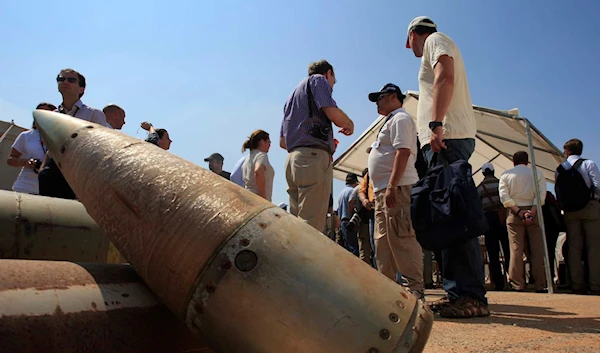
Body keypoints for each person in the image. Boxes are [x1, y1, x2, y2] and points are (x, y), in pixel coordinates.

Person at [406, 16, 488, 316]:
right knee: (446, 218)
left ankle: (472, 297)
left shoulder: (434, 41)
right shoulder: (435, 42)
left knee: (455, 217)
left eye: (408, 41)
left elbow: (445, 76)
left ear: (412, 36)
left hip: (447, 136)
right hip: (444, 138)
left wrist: (436, 124)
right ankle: (458, 293)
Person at [280, 60, 354, 232]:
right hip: (312, 159)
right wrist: (349, 123)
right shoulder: (318, 80)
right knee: (311, 228)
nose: (332, 88)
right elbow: (330, 109)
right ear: (328, 73)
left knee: (297, 226)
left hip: (292, 160)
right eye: (333, 83)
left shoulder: (291, 98)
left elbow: (282, 142)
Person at [367, 83, 423, 296]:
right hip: (384, 190)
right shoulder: (389, 121)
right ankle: (387, 291)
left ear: (392, 97)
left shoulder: (401, 118)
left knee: (402, 239)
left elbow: (403, 152)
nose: (377, 104)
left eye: (379, 99)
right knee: (383, 243)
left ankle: (416, 289)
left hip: (397, 187)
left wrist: (391, 185)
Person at [499, 151, 547, 293]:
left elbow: (504, 196)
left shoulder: (506, 175)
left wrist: (519, 212)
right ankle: (540, 283)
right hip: (534, 211)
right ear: (527, 161)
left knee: (516, 249)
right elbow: (541, 195)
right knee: (537, 249)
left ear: (513, 161)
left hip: (514, 213)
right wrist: (531, 212)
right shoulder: (537, 174)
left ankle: (517, 283)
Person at [556, 138, 599, 295]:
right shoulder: (589, 164)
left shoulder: (560, 168)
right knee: (594, 247)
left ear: (566, 151)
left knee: (574, 247)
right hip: (590, 208)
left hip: (570, 211)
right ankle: (595, 285)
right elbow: (597, 186)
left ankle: (577, 284)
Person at [7, 103, 56, 194]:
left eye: (46, 112)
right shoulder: (26, 136)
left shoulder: (59, 138)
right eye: (39, 112)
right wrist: (26, 162)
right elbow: (10, 160)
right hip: (24, 186)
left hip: (49, 188)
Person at [476, 162, 510, 291]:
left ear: (483, 173)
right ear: (494, 171)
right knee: (507, 251)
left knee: (493, 254)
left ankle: (498, 283)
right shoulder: (501, 184)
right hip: (502, 218)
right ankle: (512, 279)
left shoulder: (480, 188)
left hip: (488, 220)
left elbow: (478, 207)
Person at [242, 130, 274, 201]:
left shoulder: (246, 160)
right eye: (268, 142)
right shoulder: (261, 155)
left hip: (248, 198)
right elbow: (258, 171)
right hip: (258, 199)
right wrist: (262, 196)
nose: (270, 145)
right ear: (262, 142)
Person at [351, 168, 373, 265]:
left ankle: (365, 266)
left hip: (363, 220)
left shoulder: (358, 189)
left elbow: (351, 202)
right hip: (370, 218)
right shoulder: (367, 187)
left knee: (363, 244)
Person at [337, 173, 360, 257]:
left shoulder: (341, 193)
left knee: (347, 248)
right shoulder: (352, 191)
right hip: (350, 221)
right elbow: (353, 205)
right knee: (354, 249)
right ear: (355, 182)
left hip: (342, 221)